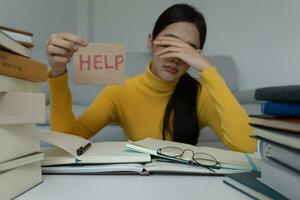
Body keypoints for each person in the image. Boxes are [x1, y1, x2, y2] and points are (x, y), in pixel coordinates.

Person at [46, 3, 255, 152]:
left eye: (187, 50)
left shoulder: (200, 94)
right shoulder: (119, 91)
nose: (175, 57)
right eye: (169, 43)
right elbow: (67, 140)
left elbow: (248, 145)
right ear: (150, 41)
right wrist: (57, 73)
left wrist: (208, 69)